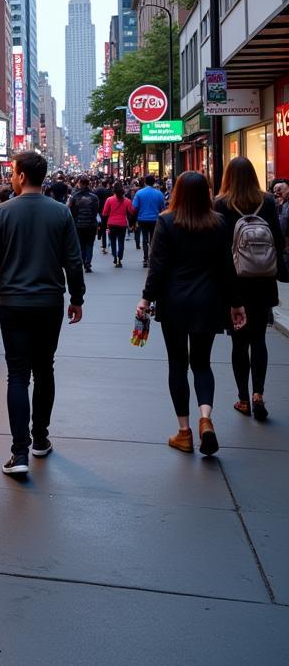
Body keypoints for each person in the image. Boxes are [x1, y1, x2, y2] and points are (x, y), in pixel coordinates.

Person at [0, 150, 85, 476]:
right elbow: (73, 260)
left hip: (13, 303)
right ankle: (40, 439)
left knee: (18, 374)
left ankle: (19, 452)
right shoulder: (61, 213)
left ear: (21, 176)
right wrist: (77, 296)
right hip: (50, 302)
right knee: (44, 369)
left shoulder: (2, 212)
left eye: (12, 172)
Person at [137, 172, 246, 456]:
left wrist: (146, 299)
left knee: (177, 364)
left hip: (174, 302)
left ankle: (184, 432)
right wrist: (236, 303)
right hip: (209, 301)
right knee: (202, 363)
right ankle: (206, 419)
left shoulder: (167, 221)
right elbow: (227, 267)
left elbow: (158, 268)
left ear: (177, 193)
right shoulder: (218, 223)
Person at [215, 157, 285, 422]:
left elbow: (220, 247)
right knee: (259, 339)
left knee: (239, 340)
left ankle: (243, 398)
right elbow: (277, 238)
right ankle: (259, 395)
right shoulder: (266, 201)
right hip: (263, 279)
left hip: (235, 281)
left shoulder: (221, 202)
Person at [132, 173, 166, 267]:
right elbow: (163, 208)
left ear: (145, 182)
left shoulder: (139, 193)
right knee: (153, 239)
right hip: (155, 219)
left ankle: (145, 258)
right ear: (154, 182)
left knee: (144, 239)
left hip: (143, 219)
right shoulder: (159, 193)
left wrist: (134, 219)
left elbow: (134, 208)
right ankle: (152, 257)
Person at [68, 175, 100, 272]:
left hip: (79, 224)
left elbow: (72, 212)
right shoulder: (94, 197)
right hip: (91, 224)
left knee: (81, 244)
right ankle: (88, 262)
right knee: (90, 244)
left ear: (80, 184)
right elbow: (95, 211)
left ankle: (83, 260)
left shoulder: (75, 197)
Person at [102, 182, 134, 267]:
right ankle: (120, 259)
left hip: (111, 223)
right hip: (122, 223)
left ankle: (115, 258)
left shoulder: (109, 200)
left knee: (113, 241)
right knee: (121, 241)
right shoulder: (127, 201)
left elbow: (104, 213)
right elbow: (131, 212)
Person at [93, 178, 112, 253]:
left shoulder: (97, 190)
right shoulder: (109, 192)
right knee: (109, 227)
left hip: (100, 211)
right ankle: (110, 242)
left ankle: (103, 245)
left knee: (102, 228)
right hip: (108, 211)